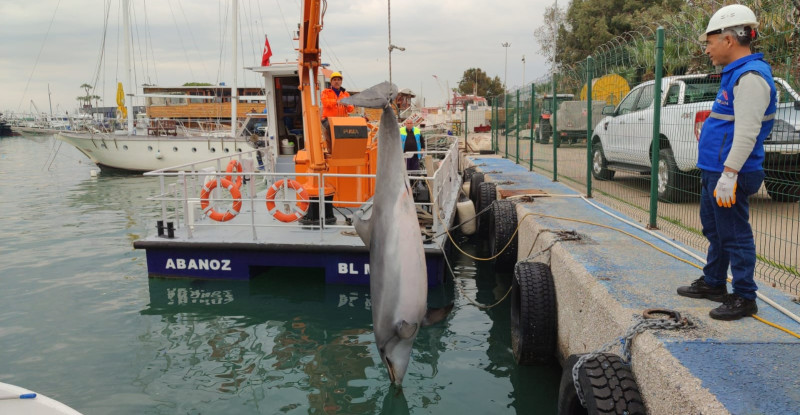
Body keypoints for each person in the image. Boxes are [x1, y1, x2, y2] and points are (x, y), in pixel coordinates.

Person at [677, 4, 776, 321]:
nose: (707, 49)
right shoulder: (736, 74)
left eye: (709, 42)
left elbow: (747, 134)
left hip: (731, 173)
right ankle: (714, 283)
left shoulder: (750, 78)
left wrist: (729, 174)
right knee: (716, 230)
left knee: (734, 234)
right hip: (716, 171)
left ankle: (745, 297)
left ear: (729, 40)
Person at [321, 71, 354, 151]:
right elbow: (326, 103)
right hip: (328, 120)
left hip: (342, 120)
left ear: (341, 82)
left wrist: (347, 105)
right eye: (334, 80)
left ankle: (345, 150)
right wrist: (337, 101)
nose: (337, 81)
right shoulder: (325, 92)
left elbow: (351, 108)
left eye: (338, 80)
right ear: (331, 82)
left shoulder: (346, 94)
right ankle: (331, 150)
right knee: (331, 131)